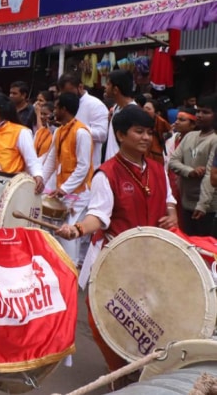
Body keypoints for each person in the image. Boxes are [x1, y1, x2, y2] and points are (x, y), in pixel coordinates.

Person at [56, 106, 176, 388]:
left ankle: (140, 367)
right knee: (108, 319)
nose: (146, 137)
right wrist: (78, 228)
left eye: (149, 132)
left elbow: (169, 199)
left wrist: (171, 213)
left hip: (153, 256)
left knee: (150, 316)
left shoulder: (158, 169)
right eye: (139, 131)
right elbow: (99, 215)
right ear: (121, 135)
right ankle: (118, 374)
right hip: (116, 259)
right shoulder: (106, 174)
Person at [41, 93, 93, 265]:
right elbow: (51, 160)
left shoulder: (81, 132)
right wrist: (40, 179)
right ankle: (62, 266)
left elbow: (83, 167)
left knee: (70, 232)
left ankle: (71, 268)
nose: (54, 111)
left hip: (78, 194)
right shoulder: (59, 131)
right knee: (59, 231)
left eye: (56, 107)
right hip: (64, 191)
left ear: (63, 109)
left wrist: (64, 188)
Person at [168, 96, 217, 236]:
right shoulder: (190, 136)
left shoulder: (214, 140)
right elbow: (173, 161)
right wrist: (190, 171)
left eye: (206, 112)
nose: (200, 115)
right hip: (186, 202)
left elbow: (210, 174)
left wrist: (203, 205)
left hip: (208, 207)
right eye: (198, 111)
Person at [57, 73, 109, 184]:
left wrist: (78, 129)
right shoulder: (64, 105)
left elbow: (102, 135)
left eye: (69, 92)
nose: (66, 96)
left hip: (88, 171)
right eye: (63, 93)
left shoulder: (95, 105)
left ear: (80, 87)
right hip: (65, 170)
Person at [103, 70, 138, 162]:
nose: (105, 87)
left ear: (115, 90)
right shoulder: (116, 108)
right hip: (110, 165)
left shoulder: (133, 112)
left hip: (121, 167)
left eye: (108, 84)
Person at [143, 99, 173, 163]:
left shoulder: (161, 121)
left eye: (148, 109)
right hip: (143, 151)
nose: (145, 110)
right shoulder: (138, 119)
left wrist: (164, 137)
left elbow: (171, 132)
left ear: (156, 112)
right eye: (144, 108)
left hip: (156, 152)